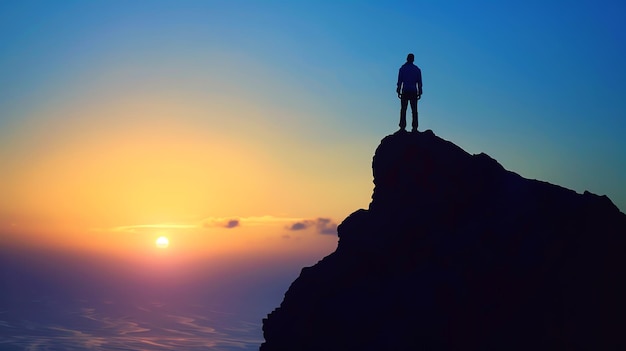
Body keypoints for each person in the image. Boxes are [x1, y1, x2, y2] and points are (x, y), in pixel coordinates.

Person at [396, 53, 422, 132]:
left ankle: (402, 126)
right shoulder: (416, 69)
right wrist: (420, 91)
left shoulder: (403, 68)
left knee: (404, 109)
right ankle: (414, 127)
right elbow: (419, 82)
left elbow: (400, 80)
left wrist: (398, 89)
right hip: (413, 91)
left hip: (406, 90)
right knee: (414, 110)